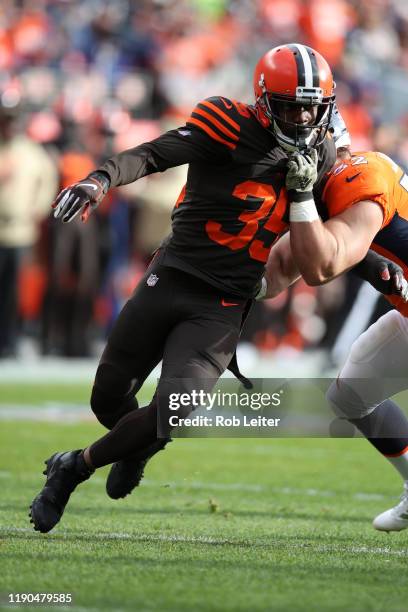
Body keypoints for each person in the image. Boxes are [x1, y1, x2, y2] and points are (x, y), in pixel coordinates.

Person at [30, 43, 349, 534]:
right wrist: (99, 180)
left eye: (313, 106)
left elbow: (338, 237)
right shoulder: (226, 123)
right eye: (292, 105)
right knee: (107, 399)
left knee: (176, 408)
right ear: (264, 101)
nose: (305, 117)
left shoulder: (322, 154)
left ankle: (72, 468)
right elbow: (154, 154)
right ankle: (135, 445)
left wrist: (372, 261)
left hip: (224, 303)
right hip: (173, 275)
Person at [263, 148, 408, 532]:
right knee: (349, 395)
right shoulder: (334, 186)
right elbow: (280, 269)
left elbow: (323, 264)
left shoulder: (357, 181)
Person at [0, 102, 58, 357]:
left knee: (14, 290)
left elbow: (48, 181)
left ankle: (10, 339)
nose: (11, 125)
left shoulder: (31, 152)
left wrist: (38, 209)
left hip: (20, 230)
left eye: (14, 120)